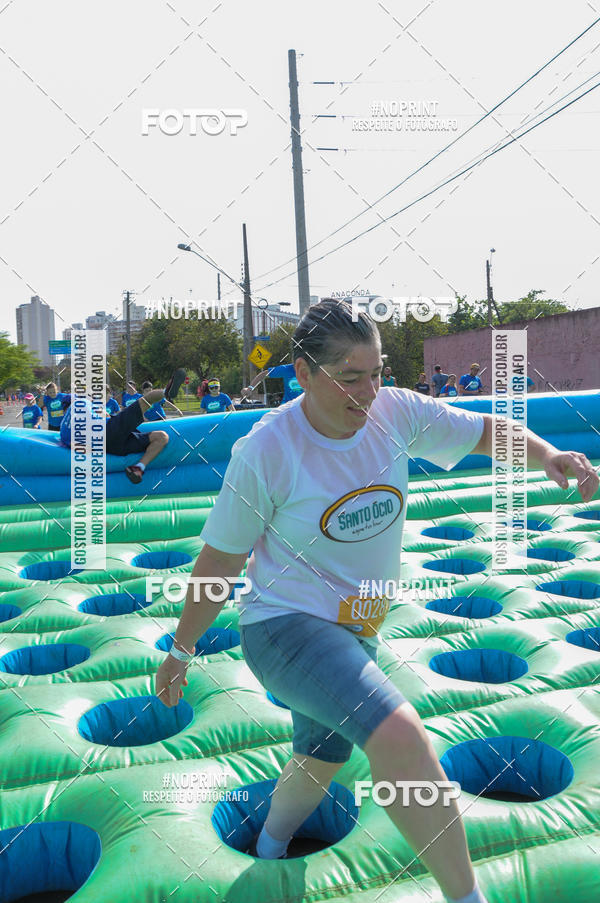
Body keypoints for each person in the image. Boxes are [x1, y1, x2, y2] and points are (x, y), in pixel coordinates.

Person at [154, 299, 599, 899]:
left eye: (377, 372)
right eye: (349, 377)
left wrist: (548, 454)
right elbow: (221, 560)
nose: (368, 391)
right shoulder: (267, 450)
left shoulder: (397, 411)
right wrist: (181, 649)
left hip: (357, 629)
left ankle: (270, 846)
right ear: (304, 374)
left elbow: (488, 431)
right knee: (398, 735)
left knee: (320, 756)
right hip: (282, 629)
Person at [60, 369, 186, 483]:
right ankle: (166, 392)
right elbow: (105, 415)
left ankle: (137, 469)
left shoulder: (63, 431)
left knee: (161, 437)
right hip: (109, 430)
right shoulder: (81, 403)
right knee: (145, 402)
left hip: (111, 447)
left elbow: (78, 447)